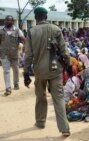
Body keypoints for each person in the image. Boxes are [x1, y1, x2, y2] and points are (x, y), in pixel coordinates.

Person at [23, 7, 70, 136]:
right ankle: (64, 128)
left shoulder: (31, 32)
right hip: (56, 70)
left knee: (40, 96)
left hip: (39, 70)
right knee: (59, 98)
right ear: (46, 16)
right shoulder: (56, 29)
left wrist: (26, 72)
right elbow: (65, 51)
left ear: (36, 17)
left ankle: (40, 122)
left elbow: (28, 55)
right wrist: (68, 64)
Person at [0, 15, 25, 96]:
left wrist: (23, 46)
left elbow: (23, 39)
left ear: (12, 21)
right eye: (6, 20)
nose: (7, 22)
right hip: (4, 54)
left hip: (15, 54)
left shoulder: (18, 30)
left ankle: (16, 83)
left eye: (9, 20)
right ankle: (8, 88)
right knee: (6, 71)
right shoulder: (1, 31)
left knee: (16, 69)